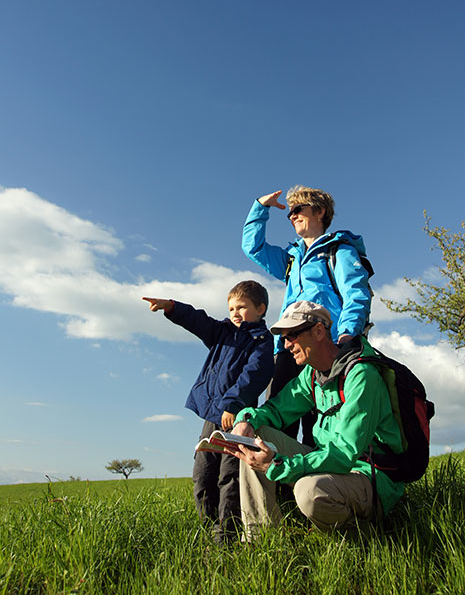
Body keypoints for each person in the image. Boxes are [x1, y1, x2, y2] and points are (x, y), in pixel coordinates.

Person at [229, 300, 404, 536]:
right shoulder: (311, 375)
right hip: (332, 467)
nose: (287, 345)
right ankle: (262, 541)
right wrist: (246, 420)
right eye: (284, 338)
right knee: (255, 435)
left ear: (319, 331)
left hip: (367, 476)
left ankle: (363, 535)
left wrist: (277, 465)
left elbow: (344, 454)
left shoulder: (362, 376)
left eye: (292, 335)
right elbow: (277, 411)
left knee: (308, 490)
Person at [142, 280, 274, 545]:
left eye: (242, 307)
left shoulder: (262, 341)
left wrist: (233, 404)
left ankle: (227, 536)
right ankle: (208, 529)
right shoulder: (222, 331)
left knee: (229, 477)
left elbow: (254, 375)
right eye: (231, 308)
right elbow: (198, 320)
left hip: (235, 420)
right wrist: (172, 307)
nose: (235, 313)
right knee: (202, 474)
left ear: (260, 309)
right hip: (212, 417)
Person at [242, 186, 372, 444]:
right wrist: (260, 207)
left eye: (298, 209)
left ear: (320, 211)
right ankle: (281, 483)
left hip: (328, 346)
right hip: (290, 347)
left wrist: (347, 334)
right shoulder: (292, 258)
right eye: (290, 212)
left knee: (321, 423)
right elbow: (253, 248)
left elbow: (356, 294)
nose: (291, 215)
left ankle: (319, 482)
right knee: (279, 424)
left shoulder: (340, 251)